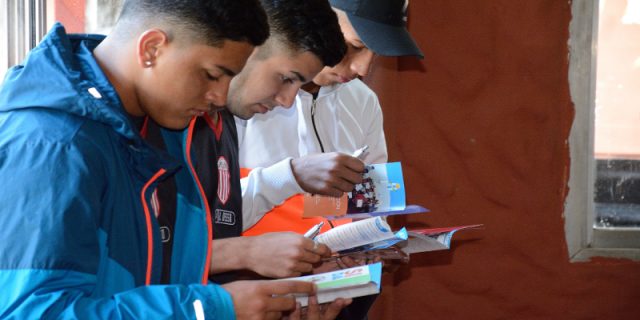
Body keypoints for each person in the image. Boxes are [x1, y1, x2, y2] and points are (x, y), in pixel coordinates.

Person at [0, 0, 320, 318]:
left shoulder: (165, 125)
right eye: (211, 75)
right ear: (152, 49)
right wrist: (209, 308)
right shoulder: (55, 144)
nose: (220, 97)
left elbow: (162, 273)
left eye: (230, 78)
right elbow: (30, 311)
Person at [140, 0, 353, 317]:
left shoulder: (222, 119)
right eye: (286, 78)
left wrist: (305, 264)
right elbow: (140, 255)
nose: (287, 100)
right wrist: (244, 253)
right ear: (248, 50)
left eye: (300, 84)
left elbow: (217, 224)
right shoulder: (161, 118)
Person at [236, 0, 424, 319]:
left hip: (343, 293)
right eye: (353, 47)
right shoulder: (246, 97)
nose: (363, 69)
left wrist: (375, 245)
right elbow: (212, 216)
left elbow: (372, 207)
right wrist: (289, 176)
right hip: (254, 292)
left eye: (373, 53)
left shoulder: (363, 101)